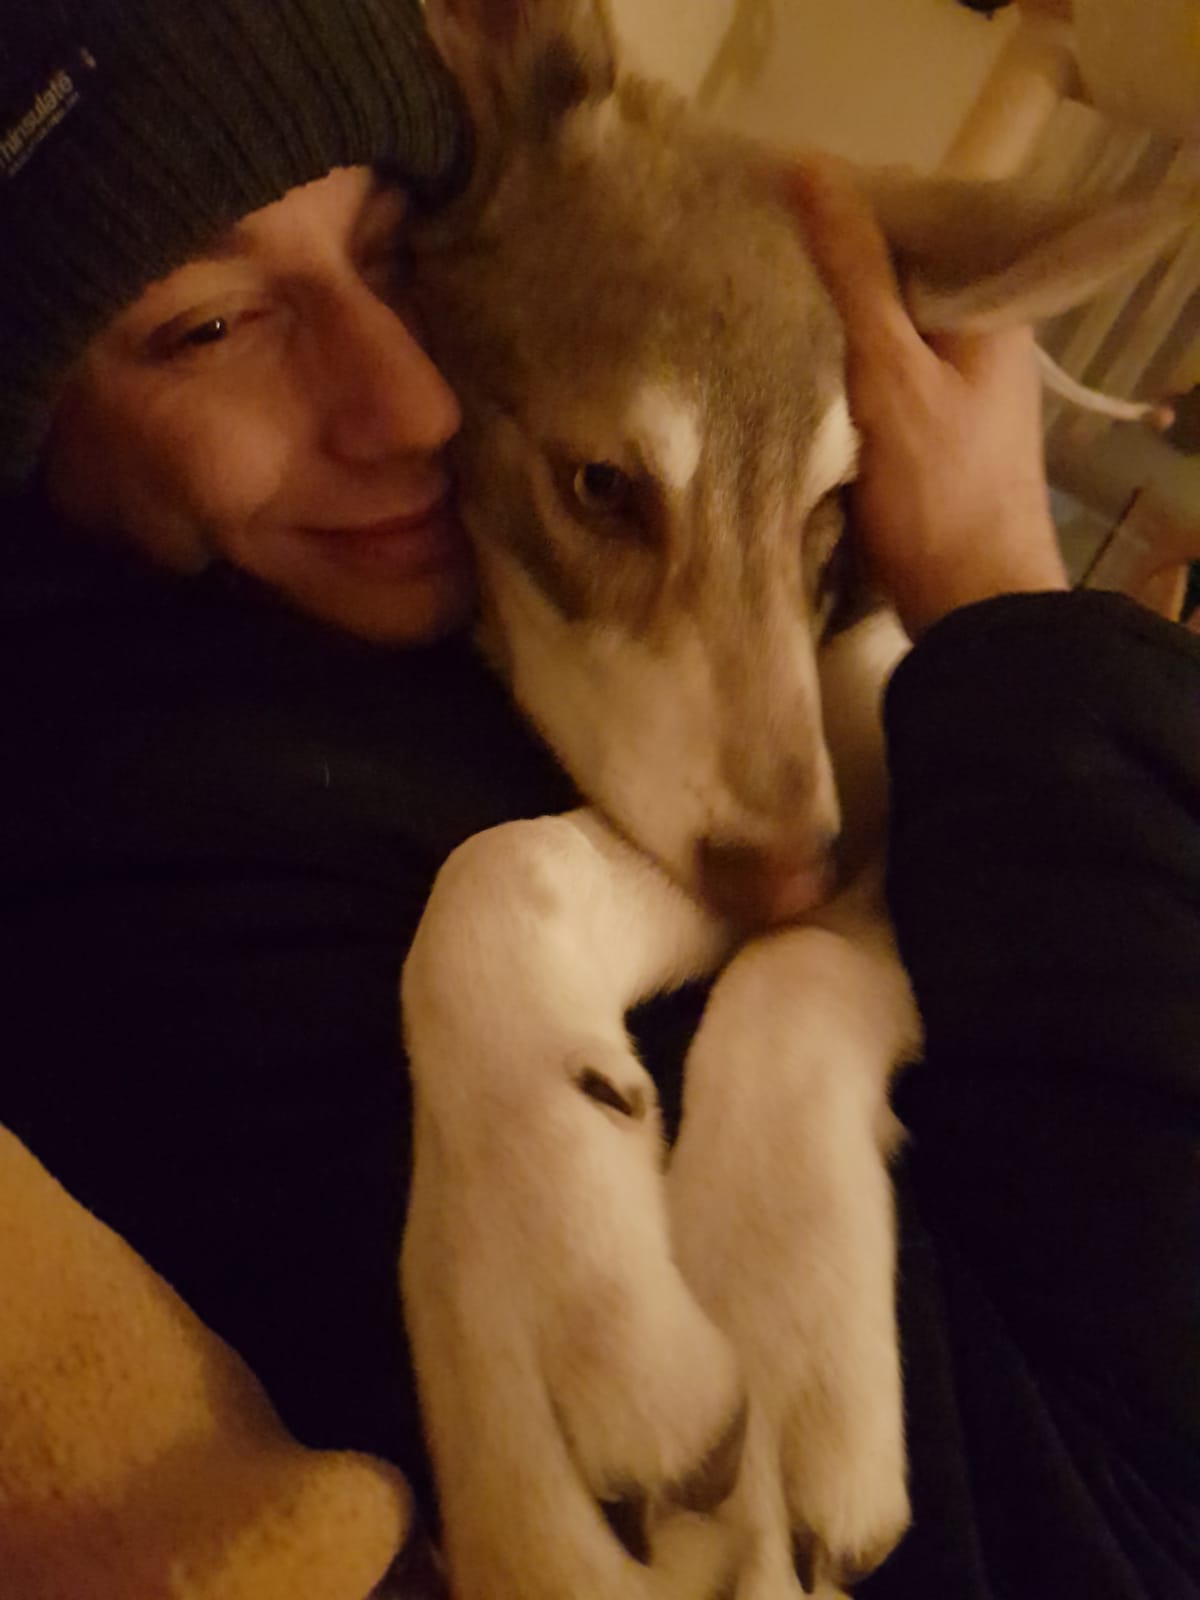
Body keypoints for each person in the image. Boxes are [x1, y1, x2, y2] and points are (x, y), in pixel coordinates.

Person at [0, 1, 1195, 1596]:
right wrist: (1007, 606)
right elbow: (1122, 1516)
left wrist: (817, 995)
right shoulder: (143, 868)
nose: (418, 405)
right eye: (211, 326)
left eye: (391, 248)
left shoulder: (417, 603)